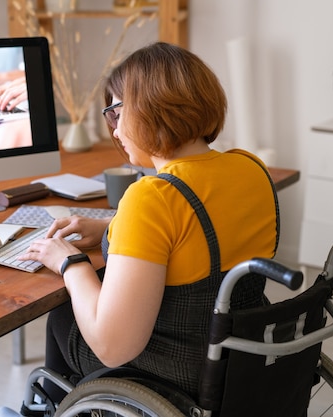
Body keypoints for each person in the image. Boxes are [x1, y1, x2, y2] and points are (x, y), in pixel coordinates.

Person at [17, 42, 279, 404]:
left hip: (182, 372)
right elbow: (197, 230)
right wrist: (113, 227)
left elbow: (112, 347)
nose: (115, 129)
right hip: (241, 359)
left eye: (116, 112)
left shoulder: (152, 197)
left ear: (148, 108)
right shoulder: (250, 167)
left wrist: (70, 262)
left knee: (64, 312)